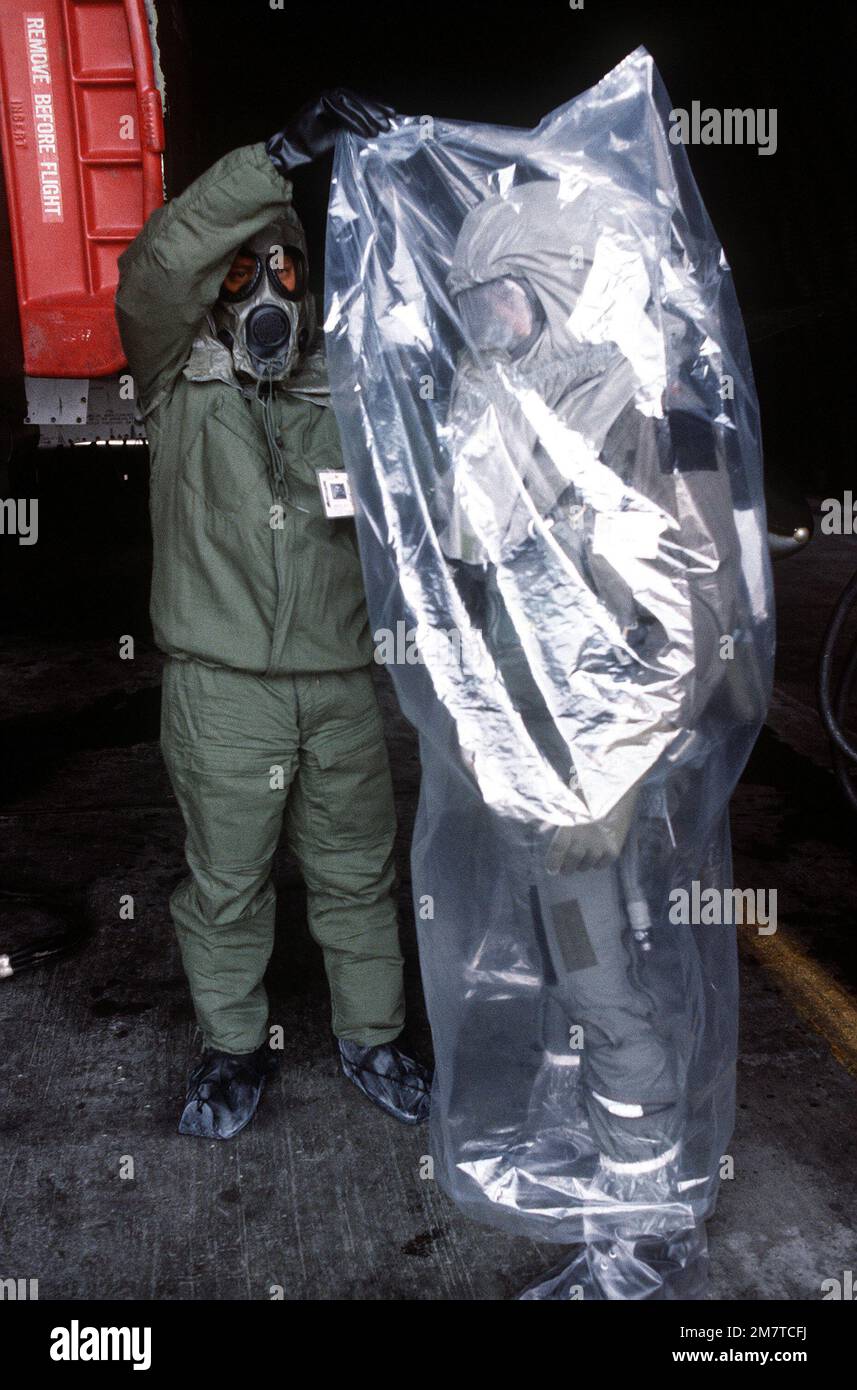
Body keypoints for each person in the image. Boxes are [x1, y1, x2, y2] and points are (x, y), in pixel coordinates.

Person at [115, 90, 430, 1140]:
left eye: (285, 271)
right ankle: (232, 1051)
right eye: (243, 273)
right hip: (222, 693)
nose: (265, 290)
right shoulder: (174, 385)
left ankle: (373, 1036)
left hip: (340, 686)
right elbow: (159, 266)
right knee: (228, 883)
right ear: (215, 294)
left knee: (356, 874)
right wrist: (280, 156)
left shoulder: (344, 390)